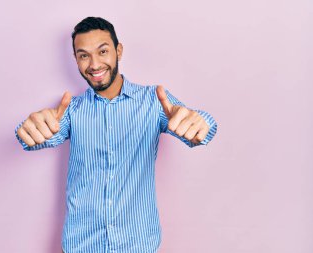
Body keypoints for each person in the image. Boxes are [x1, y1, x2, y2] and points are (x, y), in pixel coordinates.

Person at [15, 17, 218, 253]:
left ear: (118, 50)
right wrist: (28, 130)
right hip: (82, 246)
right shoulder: (71, 110)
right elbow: (39, 135)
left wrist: (201, 125)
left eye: (102, 51)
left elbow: (196, 127)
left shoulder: (153, 101)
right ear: (76, 61)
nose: (94, 64)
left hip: (138, 245)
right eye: (84, 55)